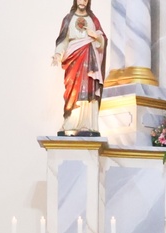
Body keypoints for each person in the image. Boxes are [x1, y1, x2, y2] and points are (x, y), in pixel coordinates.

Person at [53, 0, 107, 136]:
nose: (82, 1)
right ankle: (71, 122)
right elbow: (63, 40)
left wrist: (97, 36)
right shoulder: (68, 19)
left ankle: (89, 124)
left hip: (90, 60)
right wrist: (58, 54)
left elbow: (102, 41)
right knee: (73, 89)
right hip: (73, 60)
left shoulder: (93, 19)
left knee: (89, 87)